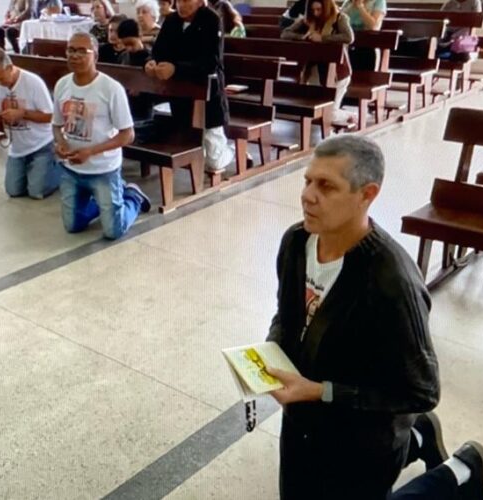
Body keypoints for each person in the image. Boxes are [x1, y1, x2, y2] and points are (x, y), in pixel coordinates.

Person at [263, 135, 440, 499]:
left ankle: (456, 476)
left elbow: (421, 389)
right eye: (308, 181)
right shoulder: (297, 243)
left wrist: (321, 391)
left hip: (363, 443)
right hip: (302, 424)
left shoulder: (392, 283)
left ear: (367, 194)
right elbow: (288, 312)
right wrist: (271, 350)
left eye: (326, 186)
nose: (308, 195)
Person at [52, 32, 151, 239]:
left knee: (113, 231)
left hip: (103, 169)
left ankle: (132, 196)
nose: (74, 56)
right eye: (71, 50)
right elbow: (56, 126)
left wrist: (91, 151)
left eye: (82, 51)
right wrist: (60, 143)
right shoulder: (62, 85)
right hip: (71, 169)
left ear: (95, 56)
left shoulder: (110, 88)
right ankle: (105, 204)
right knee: (72, 225)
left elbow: (128, 135)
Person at [148, 0, 235, 174]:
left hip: (207, 92)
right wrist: (151, 63)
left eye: (186, 0)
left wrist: (176, 68)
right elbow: (158, 50)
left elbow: (211, 62)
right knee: (189, 143)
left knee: (215, 161)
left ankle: (232, 151)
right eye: (178, 1)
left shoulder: (211, 19)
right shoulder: (172, 20)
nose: (181, 5)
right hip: (179, 92)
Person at [0, 48, 60, 199]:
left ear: (10, 68)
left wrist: (23, 113)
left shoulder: (33, 82)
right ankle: (33, 172)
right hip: (17, 147)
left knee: (36, 192)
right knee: (13, 191)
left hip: (41, 144)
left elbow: (51, 116)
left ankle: (59, 167)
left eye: (1, 78)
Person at [281, 0, 355, 124]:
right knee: (316, 110)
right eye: (313, 10)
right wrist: (302, 37)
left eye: (319, 10)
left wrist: (323, 38)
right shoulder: (309, 20)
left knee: (329, 115)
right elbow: (285, 33)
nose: (315, 13)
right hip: (315, 71)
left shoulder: (339, 18)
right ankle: (340, 113)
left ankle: (351, 115)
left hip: (338, 73)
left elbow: (349, 37)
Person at [116, 19, 156, 141]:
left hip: (144, 106)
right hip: (126, 102)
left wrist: (142, 87)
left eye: (131, 44)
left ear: (140, 36)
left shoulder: (149, 58)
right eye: (125, 44)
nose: (128, 48)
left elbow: (155, 84)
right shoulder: (123, 57)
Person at [341, 0, 386, 70]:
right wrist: (350, 7)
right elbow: (338, 21)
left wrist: (360, 6)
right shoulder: (348, 2)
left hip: (368, 45)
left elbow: (373, 26)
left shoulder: (379, 1)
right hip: (348, 45)